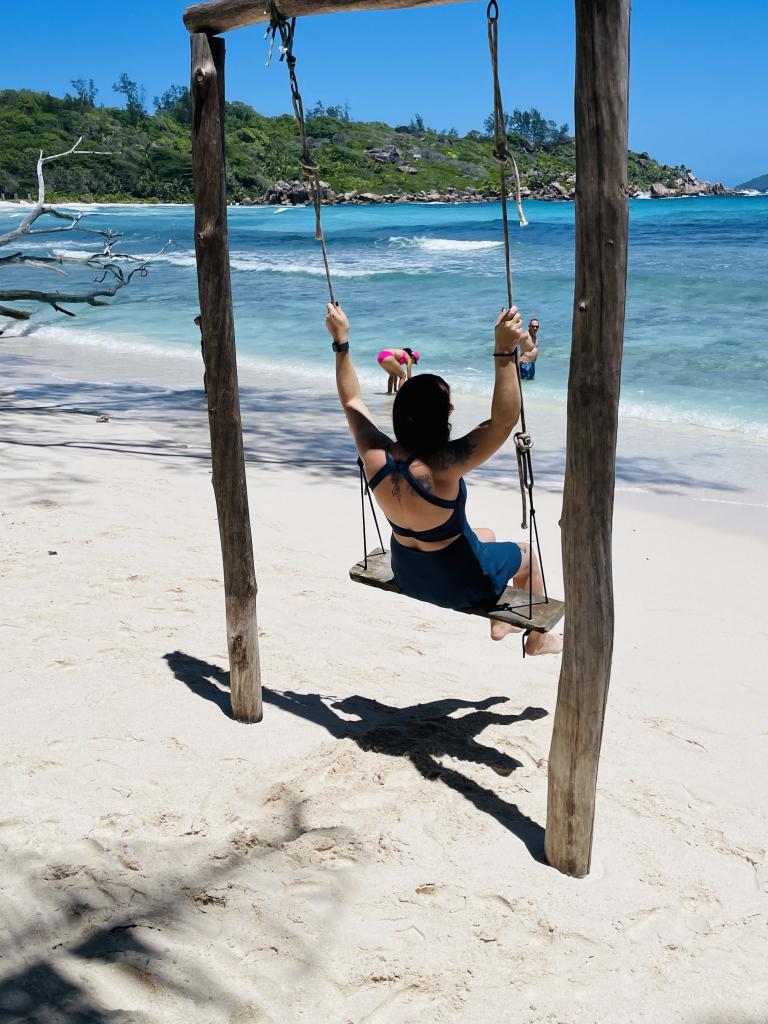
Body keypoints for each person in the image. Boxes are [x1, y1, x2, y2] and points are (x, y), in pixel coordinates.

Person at [326, 302, 562, 656]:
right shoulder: (444, 466)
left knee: (486, 535)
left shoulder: (374, 453)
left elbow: (352, 400)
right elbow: (503, 421)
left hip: (408, 573)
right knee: (527, 555)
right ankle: (533, 637)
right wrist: (503, 352)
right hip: (457, 585)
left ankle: (502, 615)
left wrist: (341, 341)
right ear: (446, 414)